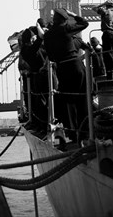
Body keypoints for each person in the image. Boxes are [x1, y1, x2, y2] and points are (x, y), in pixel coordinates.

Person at [44, 8, 89, 141]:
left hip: (61, 69)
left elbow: (50, 56)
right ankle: (85, 131)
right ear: (65, 20)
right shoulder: (66, 29)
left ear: (54, 20)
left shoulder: (47, 35)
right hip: (75, 66)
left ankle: (72, 132)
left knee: (68, 101)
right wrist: (73, 14)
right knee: (82, 99)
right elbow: (85, 23)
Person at [20, 26, 48, 137]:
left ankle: (42, 126)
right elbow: (40, 39)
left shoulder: (24, 50)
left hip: (35, 79)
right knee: (43, 104)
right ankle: (45, 126)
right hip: (41, 78)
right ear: (31, 39)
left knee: (39, 104)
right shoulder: (30, 49)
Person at [92, 0, 113, 80]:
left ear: (106, 5)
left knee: (107, 54)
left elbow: (93, 8)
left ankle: (110, 73)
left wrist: (102, 4)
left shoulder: (105, 12)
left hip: (107, 33)